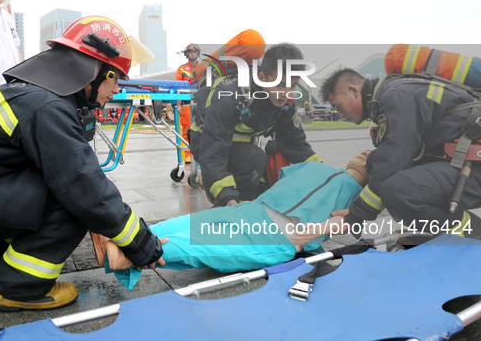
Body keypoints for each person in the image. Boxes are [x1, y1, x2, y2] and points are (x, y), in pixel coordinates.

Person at [0, 16, 164, 311]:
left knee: (70, 188)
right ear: (97, 73)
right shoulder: (49, 107)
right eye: (116, 79)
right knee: (74, 200)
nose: (116, 90)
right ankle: (20, 287)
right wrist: (143, 245)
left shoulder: (39, 96)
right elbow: (84, 187)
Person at [92, 151, 369, 290]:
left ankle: (121, 247)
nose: (366, 154)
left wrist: (297, 235)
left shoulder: (334, 182)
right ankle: (122, 246)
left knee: (193, 235)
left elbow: (282, 183)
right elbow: (332, 221)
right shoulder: (337, 182)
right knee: (191, 235)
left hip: (263, 224)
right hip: (263, 224)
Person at [297, 66, 481, 246]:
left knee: (398, 191)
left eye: (338, 106)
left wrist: (354, 217)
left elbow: (394, 160)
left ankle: (472, 233)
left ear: (353, 90)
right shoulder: (392, 95)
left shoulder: (397, 95)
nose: (338, 114)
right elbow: (388, 158)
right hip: (470, 164)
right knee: (374, 163)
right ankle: (435, 230)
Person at [188, 35, 321, 207]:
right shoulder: (230, 98)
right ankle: (233, 205)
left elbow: (296, 143)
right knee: (253, 160)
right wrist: (227, 197)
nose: (287, 92)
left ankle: (245, 202)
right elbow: (213, 153)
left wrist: (323, 172)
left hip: (240, 148)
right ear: (262, 77)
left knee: (268, 182)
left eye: (293, 84)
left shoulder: (285, 102)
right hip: (206, 142)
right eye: (280, 84)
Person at [175, 44, 200, 162]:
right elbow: (177, 87)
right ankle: (186, 154)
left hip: (200, 101)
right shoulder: (181, 69)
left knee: (202, 128)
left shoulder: (204, 67)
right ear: (187, 54)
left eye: (195, 52)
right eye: (191, 52)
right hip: (186, 103)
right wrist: (178, 104)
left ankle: (200, 154)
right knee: (187, 128)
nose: (193, 54)